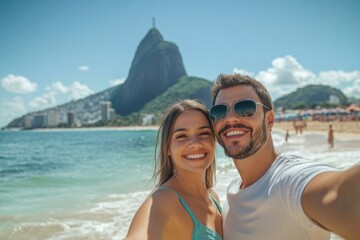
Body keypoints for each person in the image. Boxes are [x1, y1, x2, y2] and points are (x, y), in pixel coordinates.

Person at [210, 74, 360, 240]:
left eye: (245, 108)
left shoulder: (289, 181)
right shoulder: (230, 195)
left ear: (270, 120)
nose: (230, 118)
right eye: (219, 112)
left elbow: (342, 196)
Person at [126, 99, 223, 240]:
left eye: (204, 133)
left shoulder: (213, 197)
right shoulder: (163, 201)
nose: (195, 144)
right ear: (168, 148)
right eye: (181, 136)